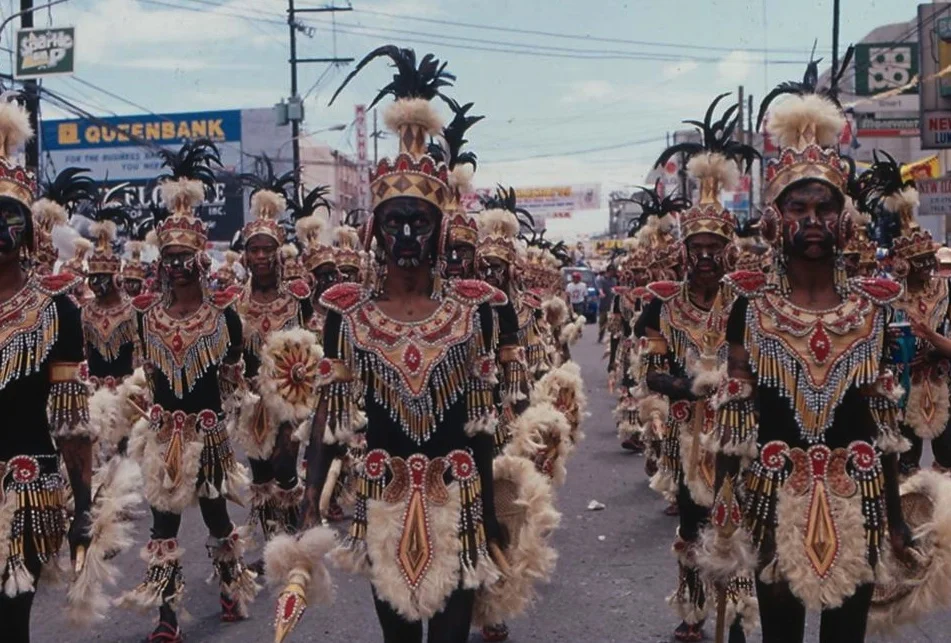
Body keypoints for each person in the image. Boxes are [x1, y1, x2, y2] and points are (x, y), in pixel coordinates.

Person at [302, 46, 506, 643]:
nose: (409, 233)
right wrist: (311, 498)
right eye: (395, 221)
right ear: (375, 232)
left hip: (459, 496)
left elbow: (482, 425)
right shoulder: (347, 315)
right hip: (381, 499)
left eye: (421, 220)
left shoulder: (472, 312)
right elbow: (330, 417)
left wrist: (491, 514)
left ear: (440, 230)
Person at [701, 85, 911, 643]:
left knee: (846, 634)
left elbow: (884, 424)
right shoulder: (749, 307)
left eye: (826, 208)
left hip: (858, 492)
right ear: (775, 219)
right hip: (774, 492)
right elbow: (734, 418)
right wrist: (724, 513)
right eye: (799, 208)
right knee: (781, 634)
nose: (813, 219)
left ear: (845, 221)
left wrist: (895, 516)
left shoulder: (871, 309)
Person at [119, 139, 258, 642]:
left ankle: (230, 586)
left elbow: (235, 377)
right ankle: (167, 616)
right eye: (169, 258)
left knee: (218, 518)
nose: (176, 266)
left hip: (209, 435)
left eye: (185, 257)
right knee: (163, 525)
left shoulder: (224, 318)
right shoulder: (146, 317)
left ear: (201, 260)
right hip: (163, 436)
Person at [637, 94, 758, 643]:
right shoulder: (662, 306)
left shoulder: (749, 304)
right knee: (692, 525)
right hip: (687, 436)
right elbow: (651, 373)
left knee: (738, 523)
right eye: (697, 248)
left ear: (729, 250)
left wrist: (736, 390)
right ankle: (692, 609)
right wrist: (689, 387)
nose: (705, 256)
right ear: (684, 252)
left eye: (715, 247)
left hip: (738, 433)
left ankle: (739, 615)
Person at [0, 97, 94, 643]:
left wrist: (83, 508)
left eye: (9, 216)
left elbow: (71, 422)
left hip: (28, 490)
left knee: (10, 620)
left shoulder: (57, 312)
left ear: (29, 232)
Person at [234, 162, 314, 552]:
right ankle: (274, 545)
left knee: (284, 462)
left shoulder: (297, 298)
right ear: (246, 257)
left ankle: (293, 527)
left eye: (268, 249)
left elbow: (314, 342)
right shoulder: (234, 303)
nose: (262, 255)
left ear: (278, 254)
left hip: (291, 398)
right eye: (255, 249)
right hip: (252, 401)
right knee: (261, 472)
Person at [596, 265, 617, 342]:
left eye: (613, 271)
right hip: (603, 304)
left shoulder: (614, 280)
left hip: (612, 304)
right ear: (608, 271)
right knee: (602, 321)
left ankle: (610, 338)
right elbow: (600, 288)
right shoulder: (601, 279)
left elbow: (615, 289)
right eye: (611, 271)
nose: (612, 273)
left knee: (611, 322)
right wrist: (601, 293)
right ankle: (600, 336)